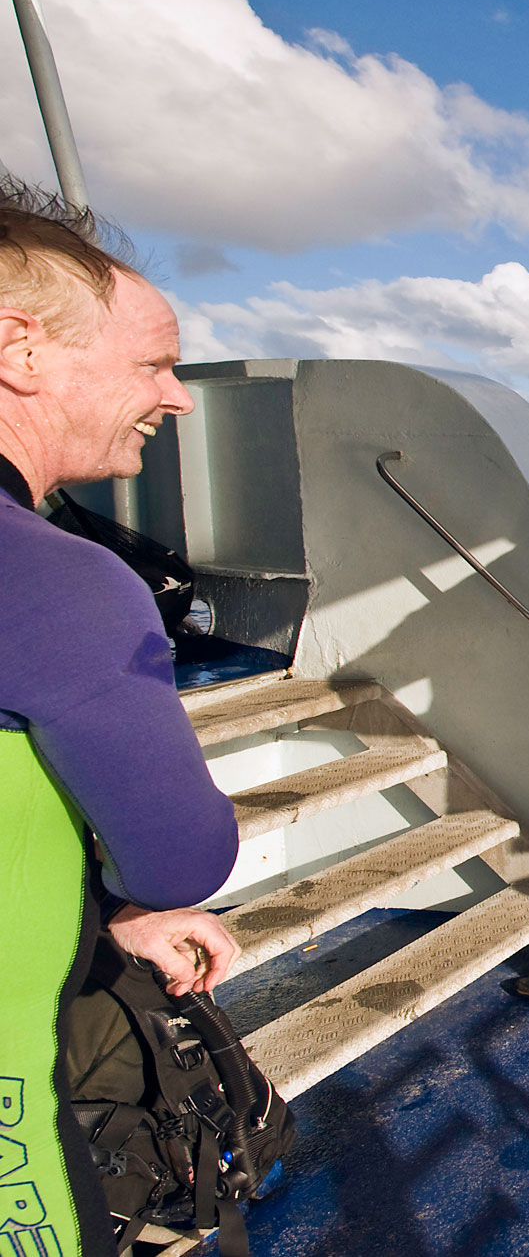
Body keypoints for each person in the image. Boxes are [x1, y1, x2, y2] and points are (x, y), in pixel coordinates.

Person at [0, 181, 242, 1257]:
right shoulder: (58, 582)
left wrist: (102, 907)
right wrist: (141, 888)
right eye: (152, 361)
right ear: (23, 349)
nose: (179, 396)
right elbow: (185, 851)